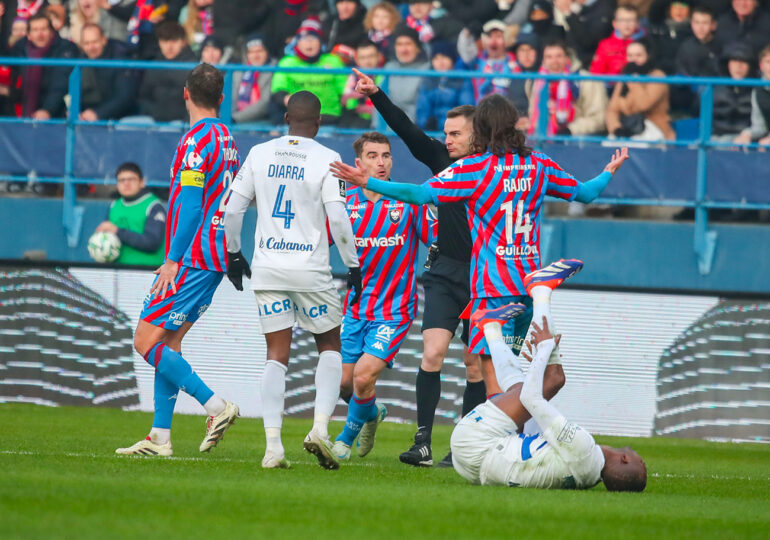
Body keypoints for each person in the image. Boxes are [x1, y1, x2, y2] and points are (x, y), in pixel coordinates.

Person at [330, 96, 630, 462]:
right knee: (545, 379)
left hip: (491, 295)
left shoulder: (475, 169)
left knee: (496, 384)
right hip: (531, 293)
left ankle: (496, 453)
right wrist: (609, 172)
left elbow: (421, 194)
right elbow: (585, 193)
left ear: (482, 130)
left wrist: (372, 183)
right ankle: (527, 444)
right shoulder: (539, 165)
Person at [353, 69, 485, 468]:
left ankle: (462, 446)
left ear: (476, 136)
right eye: (445, 133)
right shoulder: (442, 161)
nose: (447, 140)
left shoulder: (497, 167)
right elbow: (408, 132)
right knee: (433, 354)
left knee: (475, 364)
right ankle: (423, 443)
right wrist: (377, 95)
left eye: (455, 134)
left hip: (484, 275)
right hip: (444, 272)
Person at [223, 91, 361, 470]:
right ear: (319, 123)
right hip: (310, 270)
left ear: (285, 117)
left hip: (267, 268)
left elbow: (232, 210)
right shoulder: (327, 158)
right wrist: (353, 264)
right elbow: (337, 218)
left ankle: (273, 448)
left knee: (276, 355)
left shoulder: (259, 153)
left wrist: (235, 255)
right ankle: (319, 429)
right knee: (330, 345)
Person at [115, 63, 241, 457]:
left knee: (145, 340)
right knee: (169, 342)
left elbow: (188, 204)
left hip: (193, 256)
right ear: (222, 98)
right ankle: (160, 437)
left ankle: (217, 406)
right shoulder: (227, 138)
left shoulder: (195, 142)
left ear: (185, 94)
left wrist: (171, 259)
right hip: (215, 253)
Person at [452, 307, 647, 491]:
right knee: (538, 386)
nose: (642, 458)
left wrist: (545, 348)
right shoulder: (587, 478)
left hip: (475, 443)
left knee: (540, 385)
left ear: (624, 460)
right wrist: (538, 367)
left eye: (642, 463)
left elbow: (530, 398)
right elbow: (534, 421)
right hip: (473, 470)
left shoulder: (584, 448)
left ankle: (539, 294)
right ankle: (491, 326)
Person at [330, 131, 437, 462]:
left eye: (386, 155)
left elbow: (438, 241)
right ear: (358, 163)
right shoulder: (345, 204)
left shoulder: (408, 201)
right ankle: (372, 413)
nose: (381, 162)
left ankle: (342, 443)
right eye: (373, 156)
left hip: (394, 311)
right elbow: (320, 241)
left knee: (364, 375)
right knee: (346, 385)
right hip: (355, 310)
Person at [270, 18, 347, 125]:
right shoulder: (287, 62)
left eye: (313, 38)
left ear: (320, 42)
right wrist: (291, 102)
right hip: (298, 119)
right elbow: (278, 91)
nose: (309, 43)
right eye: (304, 38)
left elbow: (345, 92)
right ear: (297, 43)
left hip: (329, 117)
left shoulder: (333, 61)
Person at [527, 41, 608, 137]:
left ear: (567, 58)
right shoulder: (538, 81)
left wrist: (571, 130)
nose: (554, 61)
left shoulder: (587, 80)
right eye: (549, 57)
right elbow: (534, 114)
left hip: (581, 140)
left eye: (559, 56)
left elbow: (598, 118)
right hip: (546, 139)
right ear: (543, 61)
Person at [7, 12, 78, 119]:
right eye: (35, 30)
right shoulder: (20, 48)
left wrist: (47, 110)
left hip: (55, 114)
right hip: (19, 113)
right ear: (29, 35)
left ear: (51, 32)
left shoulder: (65, 49)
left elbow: (60, 84)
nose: (40, 34)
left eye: (44, 29)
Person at [94, 162, 166, 266]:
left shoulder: (154, 206)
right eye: (122, 180)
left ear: (142, 182)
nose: (126, 183)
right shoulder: (114, 205)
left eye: (131, 179)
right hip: (117, 273)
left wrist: (117, 231)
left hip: (148, 272)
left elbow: (152, 243)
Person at [606, 39, 675, 141]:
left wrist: (633, 80)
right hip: (628, 126)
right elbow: (612, 109)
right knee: (610, 146)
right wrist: (616, 128)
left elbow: (644, 104)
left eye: (638, 56)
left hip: (653, 127)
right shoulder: (624, 77)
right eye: (630, 56)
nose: (633, 60)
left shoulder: (658, 76)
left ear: (648, 56)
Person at [136, 21, 197, 123]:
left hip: (182, 122)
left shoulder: (193, 66)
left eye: (174, 41)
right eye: (164, 41)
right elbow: (144, 97)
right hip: (153, 119)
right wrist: (154, 113)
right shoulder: (153, 65)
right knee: (123, 125)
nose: (169, 46)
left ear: (183, 42)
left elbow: (197, 103)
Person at [78, 23, 135, 122]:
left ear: (103, 40)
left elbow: (124, 96)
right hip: (86, 118)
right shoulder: (80, 62)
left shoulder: (120, 58)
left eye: (94, 42)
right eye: (86, 43)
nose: (91, 47)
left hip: (118, 118)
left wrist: (98, 113)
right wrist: (74, 111)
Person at [457, 20, 523, 104]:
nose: (493, 41)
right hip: (482, 113)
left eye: (498, 36)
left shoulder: (515, 62)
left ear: (506, 40)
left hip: (506, 113)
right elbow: (464, 49)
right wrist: (467, 31)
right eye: (489, 36)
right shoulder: (477, 61)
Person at [416, 40, 473, 131]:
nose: (440, 62)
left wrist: (449, 126)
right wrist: (426, 123)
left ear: (452, 59)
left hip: (454, 130)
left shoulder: (462, 79)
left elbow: (466, 109)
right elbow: (422, 109)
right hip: (431, 131)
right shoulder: (427, 79)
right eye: (436, 58)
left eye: (444, 57)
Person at [383, 24, 429, 121]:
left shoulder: (427, 69)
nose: (403, 49)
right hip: (387, 127)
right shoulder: (389, 68)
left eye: (408, 44)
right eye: (399, 44)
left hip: (414, 128)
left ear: (418, 48)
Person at [552, 0, 614, 70]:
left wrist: (568, 13)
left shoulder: (604, 8)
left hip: (589, 70)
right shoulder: (578, 7)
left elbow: (589, 41)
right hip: (570, 65)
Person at [711, 41, 754, 142]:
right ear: (727, 64)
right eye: (734, 61)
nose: (738, 66)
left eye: (743, 61)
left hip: (746, 139)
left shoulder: (758, 91)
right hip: (715, 137)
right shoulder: (713, 88)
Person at [589, 5, 645, 76]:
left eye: (631, 20)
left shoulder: (645, 44)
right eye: (622, 20)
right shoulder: (605, 45)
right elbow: (596, 73)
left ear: (637, 23)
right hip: (609, 85)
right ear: (614, 24)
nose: (627, 24)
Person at [232, 33, 274, 124]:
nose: (256, 55)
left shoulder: (274, 70)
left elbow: (265, 104)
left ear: (267, 52)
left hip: (263, 122)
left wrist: (235, 118)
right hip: (235, 121)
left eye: (260, 51)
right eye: (251, 52)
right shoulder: (238, 72)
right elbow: (230, 99)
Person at [340, 39, 383, 128]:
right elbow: (347, 102)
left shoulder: (384, 76)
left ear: (379, 57)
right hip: (355, 119)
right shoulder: (352, 76)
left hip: (378, 121)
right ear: (357, 60)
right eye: (363, 58)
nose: (367, 61)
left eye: (371, 56)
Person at [734, 45, 770, 145]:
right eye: (768, 62)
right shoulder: (758, 91)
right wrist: (747, 134)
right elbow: (759, 126)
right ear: (761, 66)